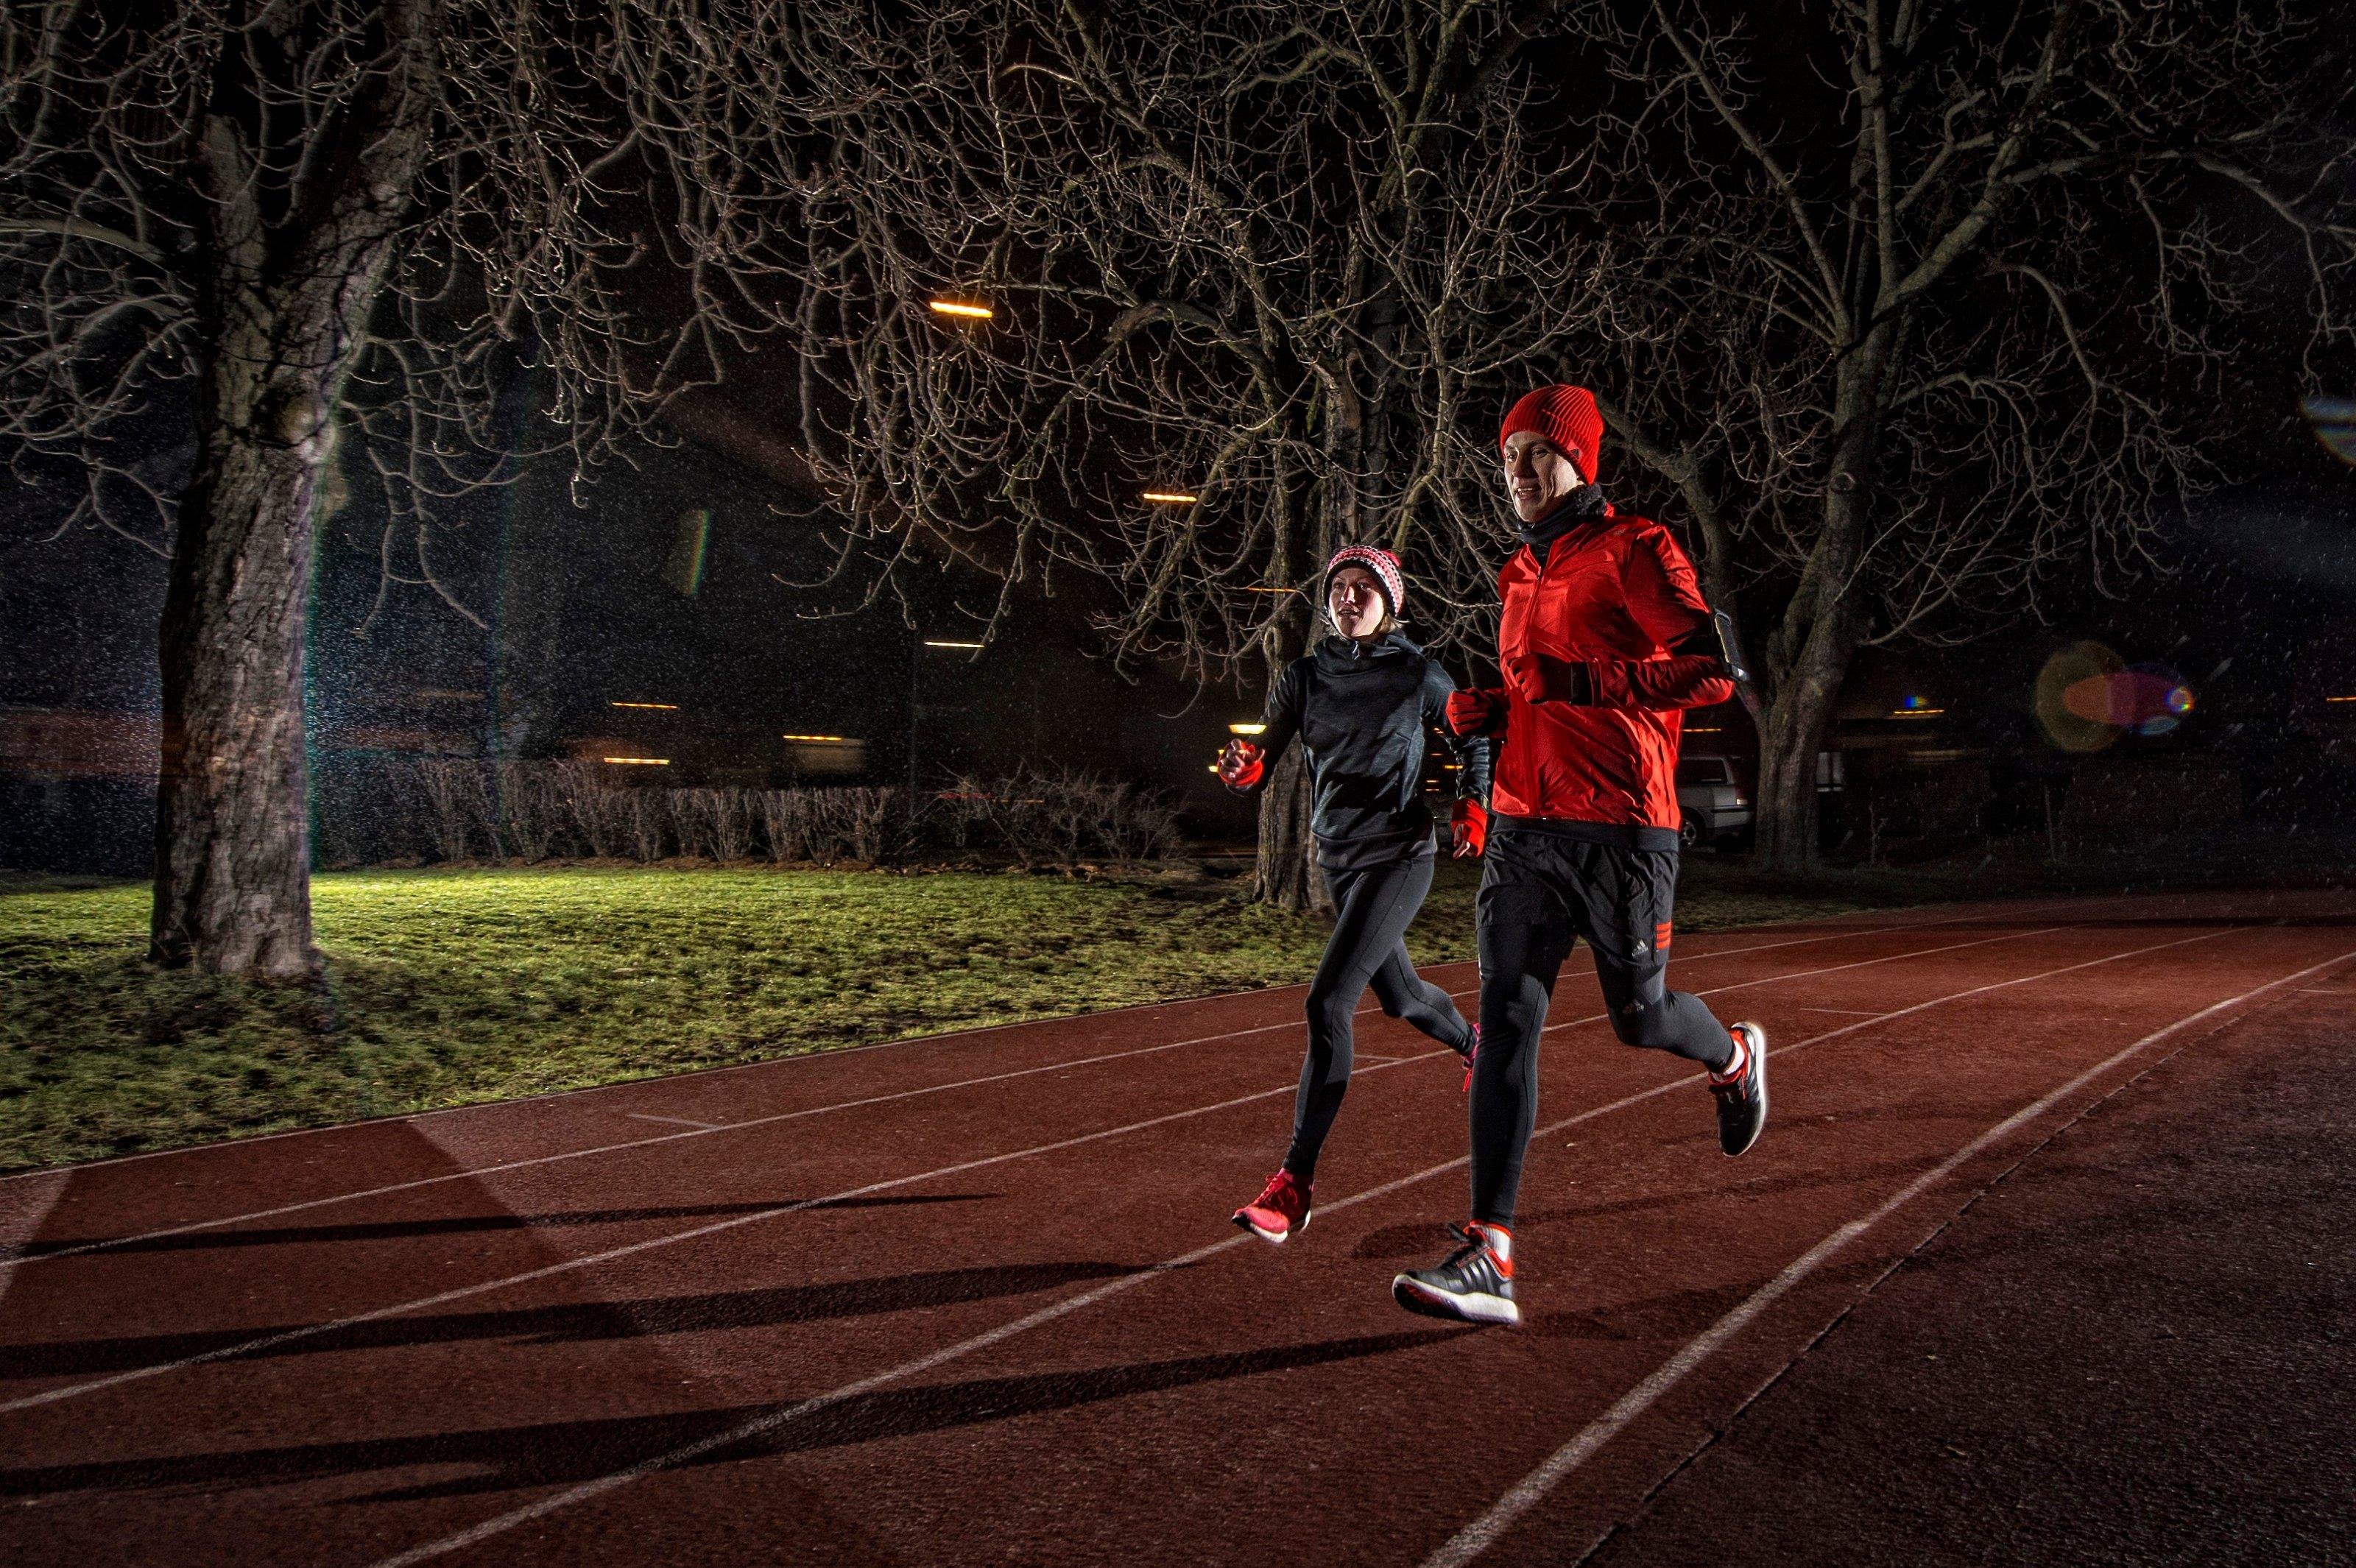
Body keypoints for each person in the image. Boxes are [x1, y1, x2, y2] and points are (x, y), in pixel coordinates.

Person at [1391, 384, 1768, 1327]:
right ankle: (1490, 1252)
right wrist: (1495, 715)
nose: (1516, 470)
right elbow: (1535, 692)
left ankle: (1730, 1059)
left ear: (1580, 459)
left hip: (1623, 828)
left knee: (1639, 1022)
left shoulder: (1639, 549)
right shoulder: (1515, 573)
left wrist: (1582, 681)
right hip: (1525, 828)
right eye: (1507, 455)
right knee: (1504, 1028)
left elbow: (1712, 673)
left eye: (1534, 452)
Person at [1222, 545, 1493, 1245]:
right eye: (1338, 588)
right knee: (1401, 998)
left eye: (1362, 588)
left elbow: (1474, 738)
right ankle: (1473, 1041)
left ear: (1390, 602)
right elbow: (1265, 761)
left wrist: (1474, 803)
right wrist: (1243, 772)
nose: (1347, 598)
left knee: (1328, 1002)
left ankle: (1294, 1183)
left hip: (1401, 854)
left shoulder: (1418, 674)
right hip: (1338, 857)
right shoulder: (1303, 677)